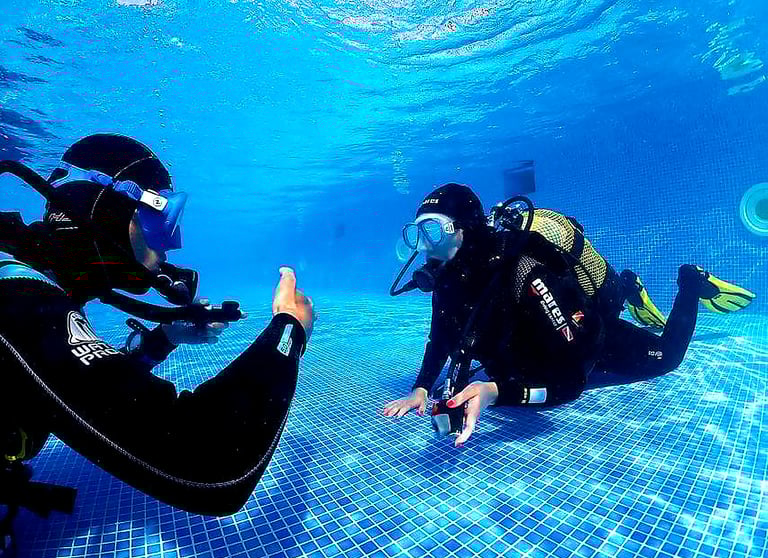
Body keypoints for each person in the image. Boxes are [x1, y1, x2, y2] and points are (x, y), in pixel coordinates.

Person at [0, 134, 314, 531]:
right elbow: (209, 463)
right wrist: (290, 329)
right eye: (159, 223)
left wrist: (163, 339)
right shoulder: (19, 298)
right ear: (107, 212)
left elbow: (87, 379)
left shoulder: (35, 285)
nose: (170, 248)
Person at [381, 183, 755, 446]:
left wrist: (495, 392)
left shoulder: (524, 271)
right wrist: (422, 387)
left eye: (432, 231)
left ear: (465, 231)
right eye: (417, 234)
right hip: (531, 351)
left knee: (667, 358)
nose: (424, 246)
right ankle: (629, 287)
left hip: (589, 340)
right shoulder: (450, 275)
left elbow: (573, 377)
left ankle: (690, 283)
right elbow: (442, 335)